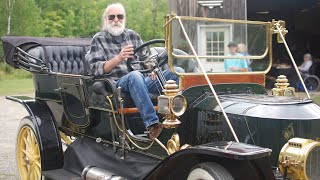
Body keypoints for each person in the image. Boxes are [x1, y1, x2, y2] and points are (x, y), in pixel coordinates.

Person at [88, 3, 182, 140]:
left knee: (177, 71)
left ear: (124, 18)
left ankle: (179, 113)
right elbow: (97, 69)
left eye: (119, 16)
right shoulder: (98, 39)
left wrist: (151, 68)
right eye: (111, 17)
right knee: (135, 75)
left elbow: (147, 58)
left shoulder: (133, 36)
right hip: (115, 83)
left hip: (142, 80)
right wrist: (119, 58)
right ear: (106, 20)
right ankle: (152, 124)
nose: (116, 20)